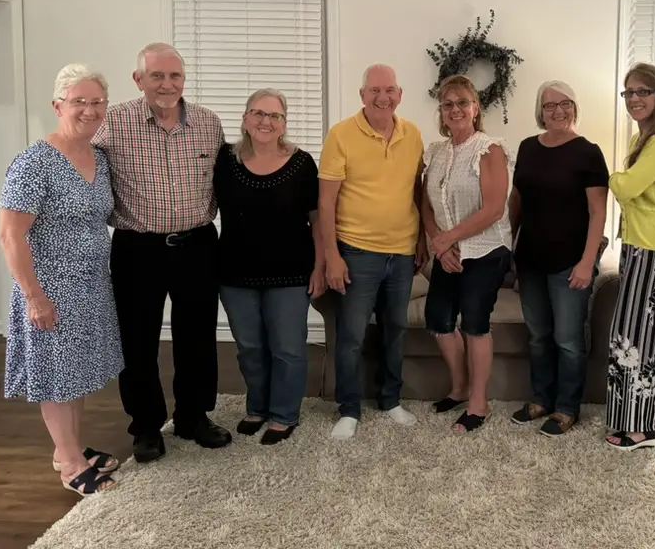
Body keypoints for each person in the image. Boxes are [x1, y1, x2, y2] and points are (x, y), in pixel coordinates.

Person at [94, 43, 230, 463]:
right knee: (137, 342)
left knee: (197, 337)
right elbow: (81, 166)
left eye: (174, 76)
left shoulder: (209, 124)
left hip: (198, 244)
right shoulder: (113, 123)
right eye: (156, 76)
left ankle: (193, 416)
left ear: (184, 80)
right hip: (139, 248)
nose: (167, 84)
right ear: (139, 80)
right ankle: (147, 427)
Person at [0, 64, 123, 496]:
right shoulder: (36, 162)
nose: (89, 110)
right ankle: (70, 464)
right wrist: (34, 297)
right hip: (50, 288)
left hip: (91, 284)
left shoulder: (99, 157)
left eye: (97, 102)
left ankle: (69, 448)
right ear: (58, 106)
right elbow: (10, 233)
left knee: (77, 372)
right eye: (79, 102)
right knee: (56, 373)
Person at [319, 64, 427, 440]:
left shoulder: (413, 134)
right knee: (350, 335)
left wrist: (422, 241)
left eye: (390, 90)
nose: (383, 97)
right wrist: (332, 256)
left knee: (394, 330)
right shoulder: (341, 135)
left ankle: (390, 400)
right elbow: (326, 202)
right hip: (356, 253)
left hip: (401, 254)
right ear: (362, 95)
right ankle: (348, 408)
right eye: (375, 90)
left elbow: (416, 191)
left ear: (400, 94)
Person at [214, 89, 322, 446]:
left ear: (284, 123)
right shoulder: (225, 161)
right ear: (245, 119)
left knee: (288, 347)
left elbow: (316, 218)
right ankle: (257, 407)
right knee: (249, 347)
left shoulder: (302, 163)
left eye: (274, 116)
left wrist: (321, 264)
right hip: (235, 271)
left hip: (291, 271)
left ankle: (284, 413)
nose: (266, 121)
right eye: (258, 113)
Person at [508, 80, 609, 437]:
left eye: (565, 103)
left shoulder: (588, 152)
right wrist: (510, 246)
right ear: (540, 112)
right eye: (550, 106)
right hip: (531, 258)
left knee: (568, 339)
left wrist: (587, 263)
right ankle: (541, 399)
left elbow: (598, 212)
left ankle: (567, 408)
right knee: (539, 336)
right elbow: (517, 200)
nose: (558, 111)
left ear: (574, 107)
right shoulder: (527, 147)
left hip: (570, 261)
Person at [422, 75, 514, 434]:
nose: (456, 109)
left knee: (475, 322)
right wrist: (438, 243)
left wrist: (448, 240)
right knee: (439, 320)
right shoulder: (435, 151)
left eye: (463, 102)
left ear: (476, 108)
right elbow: (424, 205)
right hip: (448, 250)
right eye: (448, 104)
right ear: (442, 112)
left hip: (487, 249)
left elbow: (493, 209)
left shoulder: (489, 149)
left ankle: (479, 402)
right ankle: (458, 388)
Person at [604, 64, 655, 451]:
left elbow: (628, 185)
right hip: (639, 245)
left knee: (634, 338)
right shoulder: (647, 139)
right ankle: (650, 415)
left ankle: (643, 429)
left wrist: (614, 179)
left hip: (651, 249)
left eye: (643, 92)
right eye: (629, 93)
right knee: (636, 335)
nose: (635, 99)